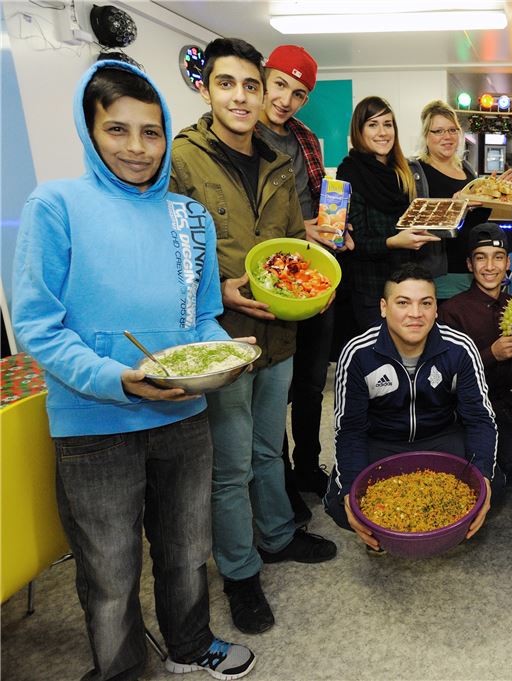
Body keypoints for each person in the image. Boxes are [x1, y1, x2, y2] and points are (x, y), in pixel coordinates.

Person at [12, 61, 254, 680]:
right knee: (110, 567)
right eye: (117, 130)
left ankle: (190, 645)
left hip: (184, 409)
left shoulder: (187, 217)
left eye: (151, 132)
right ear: (89, 131)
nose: (137, 148)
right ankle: (118, 670)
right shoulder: (55, 205)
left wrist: (222, 354)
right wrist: (114, 378)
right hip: (93, 421)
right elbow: (39, 326)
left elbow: (200, 318)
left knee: (184, 550)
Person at [170, 37, 336, 637]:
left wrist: (318, 275)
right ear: (206, 89)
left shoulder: (275, 159)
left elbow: (294, 240)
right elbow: (171, 257)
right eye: (227, 84)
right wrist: (221, 291)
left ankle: (277, 535)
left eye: (250, 86)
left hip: (280, 335)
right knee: (230, 465)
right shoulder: (182, 159)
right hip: (222, 336)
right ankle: (240, 572)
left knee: (272, 449)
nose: (241, 97)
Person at [324, 264, 498, 549]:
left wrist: (484, 476)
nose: (416, 314)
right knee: (342, 505)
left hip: (441, 435)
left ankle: (445, 530)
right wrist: (350, 486)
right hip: (382, 439)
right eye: (403, 303)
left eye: (426, 303)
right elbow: (350, 429)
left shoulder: (460, 348)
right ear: (383, 307)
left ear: (436, 309)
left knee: (490, 487)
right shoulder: (357, 353)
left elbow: (479, 418)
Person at [256, 44, 353, 519]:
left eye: (298, 93)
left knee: (313, 382)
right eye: (279, 85)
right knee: (272, 387)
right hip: (267, 282)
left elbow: (319, 205)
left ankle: (308, 465)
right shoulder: (239, 137)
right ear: (262, 78)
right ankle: (277, 483)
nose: (285, 100)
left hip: (313, 274)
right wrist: (299, 231)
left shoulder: (307, 140)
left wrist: (335, 228)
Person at [439, 223, 512, 487]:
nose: (489, 267)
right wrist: (490, 354)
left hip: (504, 402)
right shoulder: (452, 311)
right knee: (491, 481)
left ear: (508, 262)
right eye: (480, 258)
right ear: (469, 265)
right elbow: (445, 377)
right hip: (465, 409)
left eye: (497, 258)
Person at [337, 96, 439, 330]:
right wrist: (394, 242)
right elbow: (354, 243)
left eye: (388, 124)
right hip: (369, 289)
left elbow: (411, 219)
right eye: (373, 125)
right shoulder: (350, 172)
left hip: (405, 285)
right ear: (359, 130)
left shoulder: (402, 171)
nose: (383, 132)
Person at [407, 99, 494, 301]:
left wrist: (490, 194)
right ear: (426, 136)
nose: (447, 137)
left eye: (452, 130)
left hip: (472, 269)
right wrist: (452, 208)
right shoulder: (415, 171)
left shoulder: (466, 169)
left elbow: (477, 219)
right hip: (439, 274)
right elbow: (413, 223)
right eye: (438, 131)